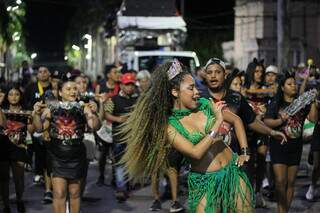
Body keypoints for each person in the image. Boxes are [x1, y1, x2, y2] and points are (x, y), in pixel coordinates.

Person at [119, 60, 254, 212]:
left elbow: (236, 119)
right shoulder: (170, 127)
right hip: (205, 182)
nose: (197, 92)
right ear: (175, 92)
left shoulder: (205, 104)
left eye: (196, 86)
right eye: (191, 88)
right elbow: (195, 153)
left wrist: (244, 152)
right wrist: (217, 124)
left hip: (233, 171)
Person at [32, 72, 100, 213]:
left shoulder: (83, 107)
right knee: (59, 193)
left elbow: (94, 126)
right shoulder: (51, 108)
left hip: (76, 154)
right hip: (57, 155)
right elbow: (39, 128)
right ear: (60, 93)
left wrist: (94, 113)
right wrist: (37, 114)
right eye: (68, 89)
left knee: (75, 193)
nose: (73, 91)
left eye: (74, 88)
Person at [264, 72, 318, 213]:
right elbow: (267, 122)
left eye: (294, 83)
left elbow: (313, 119)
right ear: (282, 87)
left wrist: (312, 101)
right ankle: (281, 211)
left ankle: (285, 211)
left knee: (291, 183)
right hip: (278, 145)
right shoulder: (277, 103)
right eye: (289, 84)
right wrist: (281, 120)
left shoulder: (301, 102)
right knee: (281, 182)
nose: (293, 86)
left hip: (295, 146)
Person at [103, 72, 139, 202]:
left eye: (132, 84)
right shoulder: (113, 99)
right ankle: (121, 188)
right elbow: (106, 114)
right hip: (119, 137)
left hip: (134, 137)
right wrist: (118, 119)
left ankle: (129, 185)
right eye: (127, 84)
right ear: (122, 85)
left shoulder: (138, 99)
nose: (129, 87)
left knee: (132, 162)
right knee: (119, 163)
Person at [1, 85, 34, 213]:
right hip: (3, 146)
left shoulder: (27, 111)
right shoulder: (1, 110)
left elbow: (31, 130)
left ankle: (20, 200)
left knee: (18, 178)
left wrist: (31, 120)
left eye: (16, 94)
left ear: (21, 96)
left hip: (19, 146)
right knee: (3, 178)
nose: (14, 97)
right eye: (10, 94)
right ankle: (6, 205)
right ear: (6, 96)